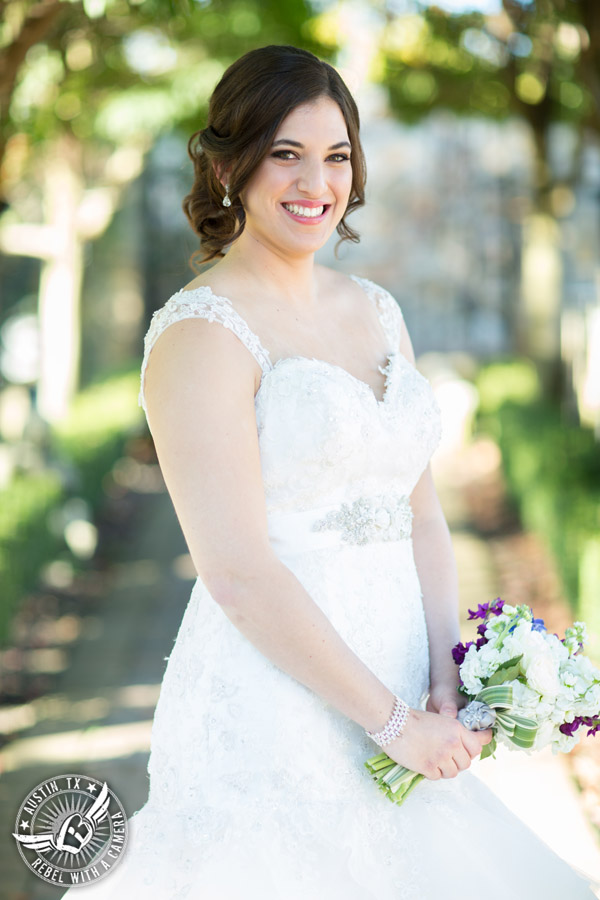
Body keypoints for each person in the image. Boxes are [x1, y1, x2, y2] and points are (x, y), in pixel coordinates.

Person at [59, 45, 596, 899]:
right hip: (280, 704)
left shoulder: (375, 309)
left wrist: (445, 684)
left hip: (405, 680)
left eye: (337, 155)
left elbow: (420, 514)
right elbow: (236, 574)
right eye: (286, 153)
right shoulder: (201, 334)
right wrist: (391, 727)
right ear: (228, 165)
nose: (317, 182)